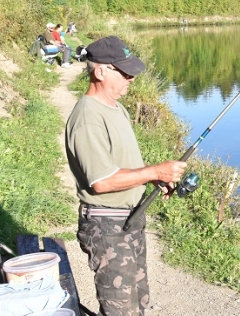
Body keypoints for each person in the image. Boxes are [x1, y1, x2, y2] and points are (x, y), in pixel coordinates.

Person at [65, 35, 187, 316]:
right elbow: (101, 181)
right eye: (125, 72)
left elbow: (120, 165)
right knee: (120, 310)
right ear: (100, 71)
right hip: (107, 227)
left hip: (130, 220)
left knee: (139, 302)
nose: (131, 78)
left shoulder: (116, 108)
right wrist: (155, 170)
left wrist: (153, 178)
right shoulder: (87, 117)